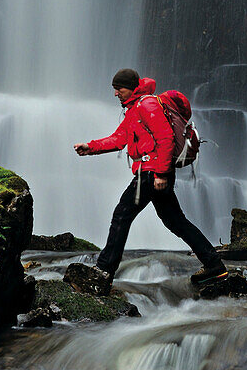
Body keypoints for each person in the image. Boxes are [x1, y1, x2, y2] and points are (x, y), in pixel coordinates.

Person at [74, 68, 228, 294]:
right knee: (175, 221)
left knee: (121, 215)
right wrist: (91, 147)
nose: (116, 94)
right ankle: (214, 265)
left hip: (151, 171)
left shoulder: (147, 105)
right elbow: (120, 139)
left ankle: (103, 271)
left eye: (120, 89)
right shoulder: (134, 109)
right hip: (152, 171)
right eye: (115, 89)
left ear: (132, 87)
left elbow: (165, 139)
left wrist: (162, 174)